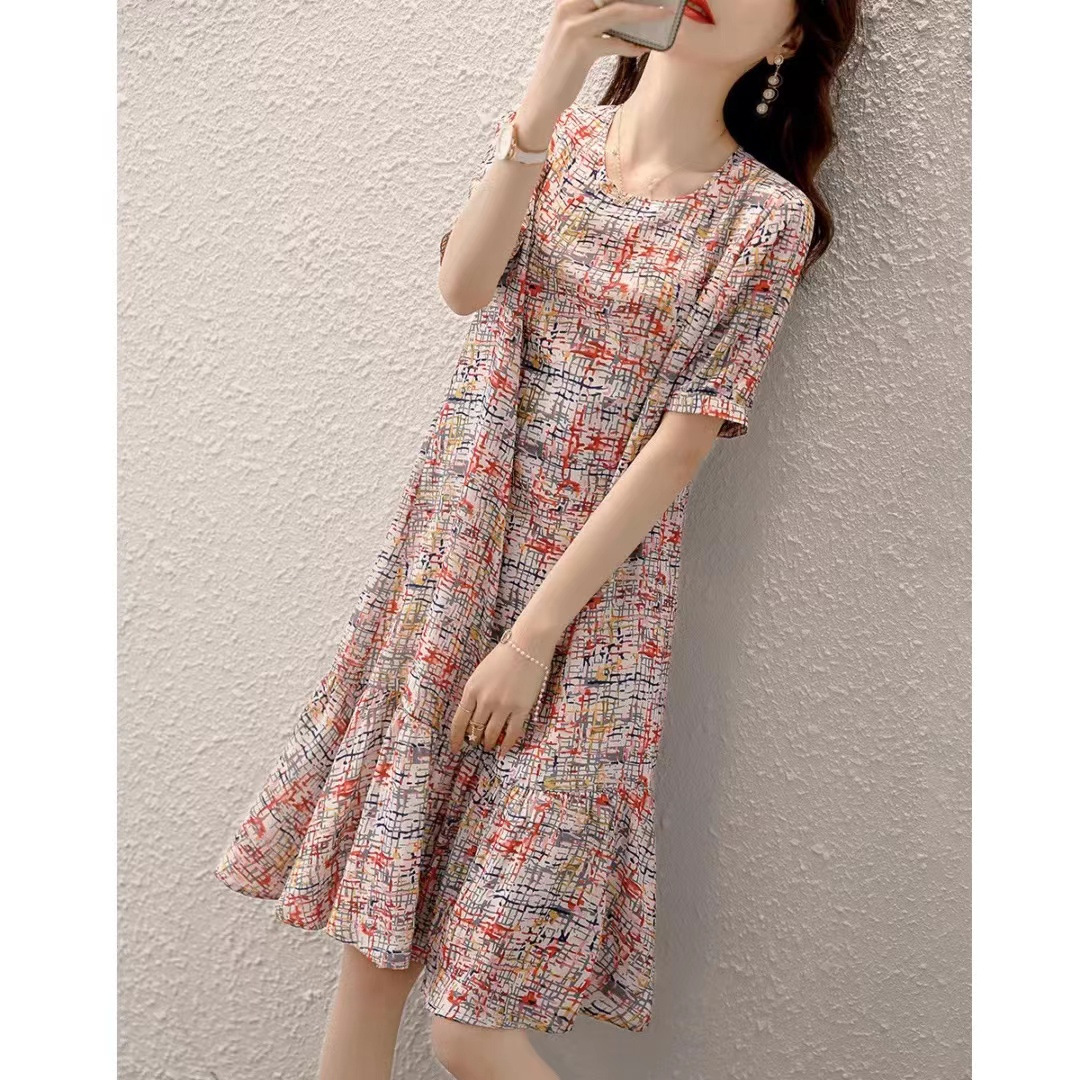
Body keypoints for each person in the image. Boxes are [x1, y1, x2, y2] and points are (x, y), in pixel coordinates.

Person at [214, 1, 858, 1077]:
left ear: (790, 39)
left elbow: (680, 450)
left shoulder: (764, 219)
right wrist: (555, 70)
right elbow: (463, 286)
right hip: (455, 569)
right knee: (374, 954)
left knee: (470, 1027)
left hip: (593, 628)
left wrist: (533, 638)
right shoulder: (556, 143)